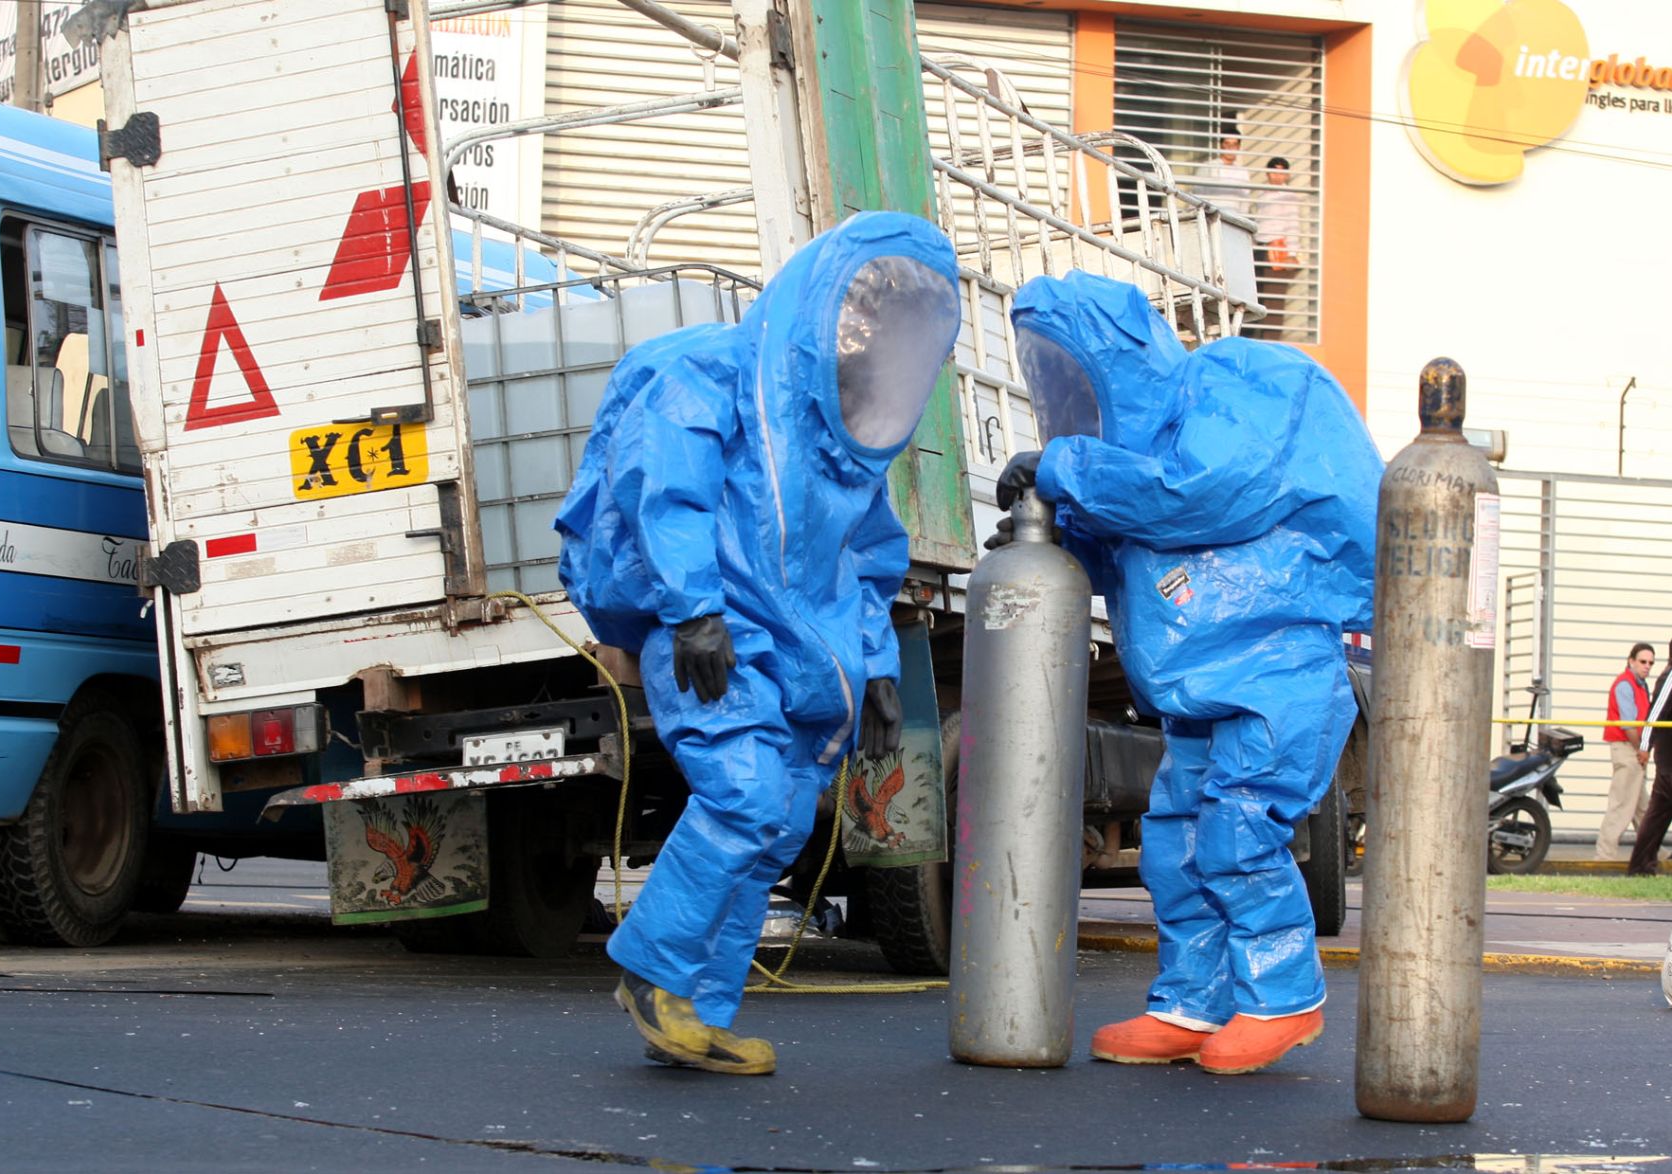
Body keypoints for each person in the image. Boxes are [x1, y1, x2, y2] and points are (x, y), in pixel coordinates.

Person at [554, 211, 962, 1076]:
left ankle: (697, 1009)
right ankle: (653, 969)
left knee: (775, 823)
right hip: (713, 639)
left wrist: (880, 672)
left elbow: (864, 566)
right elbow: (663, 488)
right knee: (741, 797)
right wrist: (693, 607)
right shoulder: (710, 370)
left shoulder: (847, 448)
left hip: (797, 661)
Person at [990, 269, 1380, 1075]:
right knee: (1177, 841)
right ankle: (1191, 1004)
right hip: (1198, 691)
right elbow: (1131, 552)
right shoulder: (1129, 462)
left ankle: (1282, 998)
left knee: (1238, 837)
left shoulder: (1227, 392)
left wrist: (1063, 471)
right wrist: (1051, 530)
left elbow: (1200, 494)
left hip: (1277, 678)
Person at [1597, 642, 1655, 861]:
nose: (1647, 666)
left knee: (1644, 810)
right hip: (1627, 749)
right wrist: (1642, 749)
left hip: (1634, 751)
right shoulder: (1625, 685)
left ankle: (1652, 853)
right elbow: (1628, 724)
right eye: (1642, 661)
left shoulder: (1640, 686)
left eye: (1650, 663)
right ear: (1631, 661)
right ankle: (1604, 857)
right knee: (1621, 805)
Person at [1627, 642, 1672, 876]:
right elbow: (1655, 712)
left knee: (1656, 816)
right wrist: (1645, 745)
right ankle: (1640, 866)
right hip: (1669, 760)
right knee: (1656, 814)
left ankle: (1641, 867)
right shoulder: (1670, 676)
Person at [1248, 157, 1301, 340]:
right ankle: (1253, 338)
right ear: (1268, 173)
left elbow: (1293, 225)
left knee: (1274, 299)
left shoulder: (1290, 197)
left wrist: (1291, 254)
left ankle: (1269, 340)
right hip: (1260, 249)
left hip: (1278, 250)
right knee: (1256, 297)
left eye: (1282, 172)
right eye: (1274, 171)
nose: (1278, 176)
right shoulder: (1262, 195)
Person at [1195, 127, 1252, 216]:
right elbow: (1198, 195)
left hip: (1234, 219)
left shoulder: (1243, 172)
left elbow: (1245, 202)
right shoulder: (1209, 167)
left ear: (1238, 147)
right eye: (1227, 143)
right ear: (1221, 145)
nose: (1230, 147)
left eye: (1234, 144)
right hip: (1211, 219)